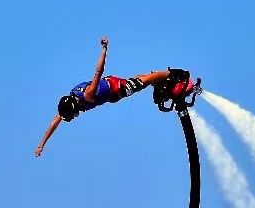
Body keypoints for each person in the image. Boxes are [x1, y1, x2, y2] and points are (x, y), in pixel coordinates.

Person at [34, 36, 173, 158]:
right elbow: (54, 123)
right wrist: (41, 145)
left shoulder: (87, 95)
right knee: (137, 79)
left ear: (75, 106)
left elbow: (98, 72)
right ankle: (158, 78)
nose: (76, 115)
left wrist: (104, 48)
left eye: (74, 113)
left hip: (117, 88)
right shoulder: (69, 101)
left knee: (143, 82)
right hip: (110, 87)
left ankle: (172, 75)